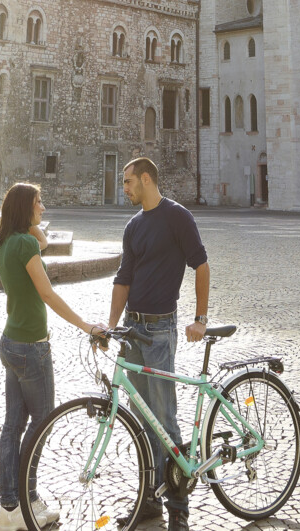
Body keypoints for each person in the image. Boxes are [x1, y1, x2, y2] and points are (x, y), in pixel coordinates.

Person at [0, 183, 106, 531]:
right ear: (25, 208)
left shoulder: (5, 243)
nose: (43, 208)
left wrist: (30, 223)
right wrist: (86, 325)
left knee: (14, 427)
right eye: (38, 203)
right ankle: (25, 502)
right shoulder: (25, 243)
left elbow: (43, 242)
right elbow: (48, 294)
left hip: (11, 342)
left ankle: (11, 506)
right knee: (41, 424)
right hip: (31, 346)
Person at [108, 157, 208, 531]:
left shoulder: (178, 217)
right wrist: (111, 326)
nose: (125, 188)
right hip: (133, 331)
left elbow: (201, 265)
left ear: (146, 179)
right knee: (141, 420)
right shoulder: (133, 226)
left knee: (164, 418)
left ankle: (178, 506)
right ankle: (149, 501)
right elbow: (124, 278)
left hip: (162, 331)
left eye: (128, 181)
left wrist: (200, 319)